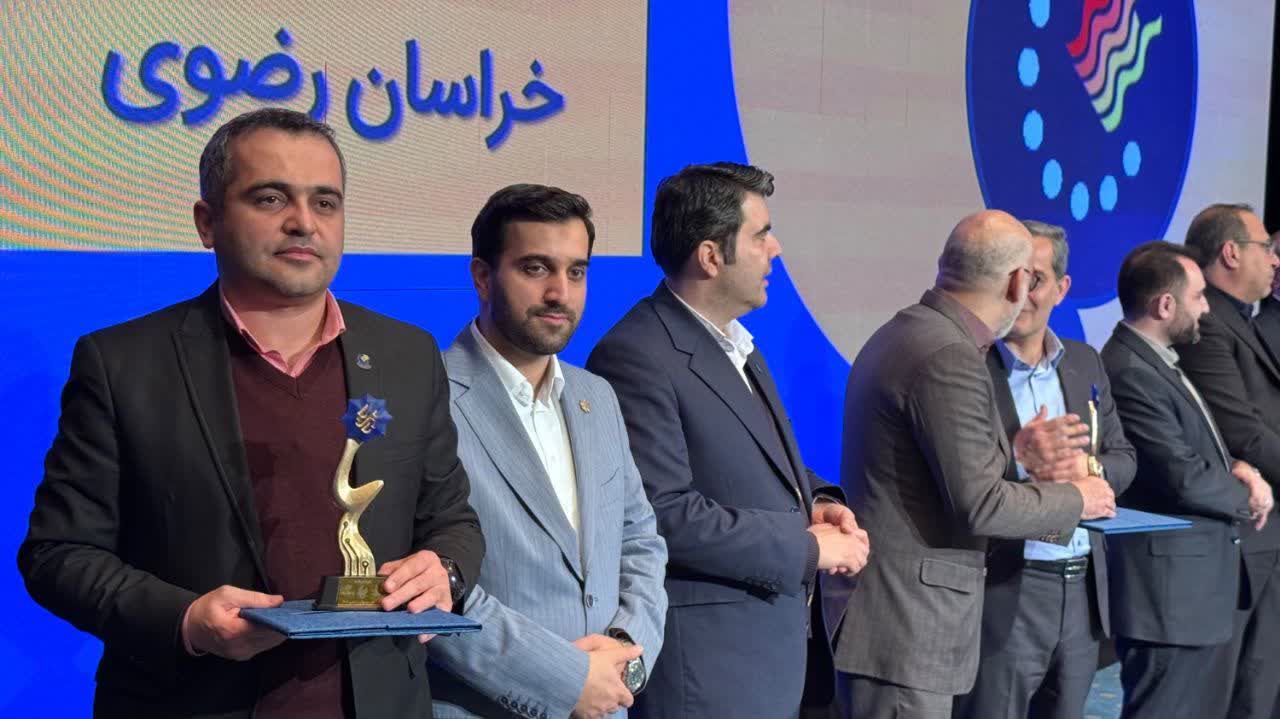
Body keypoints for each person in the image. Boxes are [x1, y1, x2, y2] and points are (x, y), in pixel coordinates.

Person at [17, 108, 484, 718]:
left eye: (325, 202)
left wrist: (445, 569)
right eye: (270, 198)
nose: (303, 222)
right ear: (207, 222)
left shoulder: (408, 355)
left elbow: (452, 519)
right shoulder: (122, 364)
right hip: (193, 701)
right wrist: (186, 620)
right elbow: (58, 553)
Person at [587, 162, 869, 718]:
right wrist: (808, 547)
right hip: (706, 677)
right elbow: (663, 515)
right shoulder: (636, 355)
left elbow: (761, 463)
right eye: (761, 235)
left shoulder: (737, 343)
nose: (776, 249)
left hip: (765, 666)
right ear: (711, 256)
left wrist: (816, 500)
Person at [837, 209, 1115, 719]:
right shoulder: (950, 354)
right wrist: (1079, 497)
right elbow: (982, 505)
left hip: (897, 626)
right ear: (1017, 282)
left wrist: (1017, 457)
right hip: (908, 631)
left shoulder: (910, 331)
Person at [429, 184, 668, 719]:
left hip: (608, 704)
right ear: (482, 276)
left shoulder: (597, 396)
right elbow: (427, 586)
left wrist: (626, 656)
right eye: (536, 268)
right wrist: (564, 680)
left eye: (576, 271)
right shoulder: (428, 396)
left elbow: (640, 542)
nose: (560, 292)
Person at [954, 220, 1136, 719]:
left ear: (1062, 288)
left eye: (1035, 279)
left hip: (1081, 588)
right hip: (1006, 585)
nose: (1021, 293)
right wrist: (1021, 459)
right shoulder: (967, 365)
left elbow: (1124, 458)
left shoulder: (1084, 361)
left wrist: (1086, 467)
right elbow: (962, 480)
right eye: (1012, 276)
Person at [1101, 241, 1262, 718]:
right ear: (1165, 305)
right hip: (1168, 602)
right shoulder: (1130, 371)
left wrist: (1235, 466)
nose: (1207, 309)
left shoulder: (1158, 362)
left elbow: (1193, 452)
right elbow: (1182, 477)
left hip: (1192, 597)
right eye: (1198, 297)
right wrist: (1247, 495)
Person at [1175, 204, 1280, 719]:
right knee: (1241, 694)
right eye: (1267, 248)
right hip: (1242, 539)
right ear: (1232, 253)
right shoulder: (1209, 324)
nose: (1275, 260)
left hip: (1263, 538)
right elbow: (1243, 433)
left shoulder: (1241, 320)